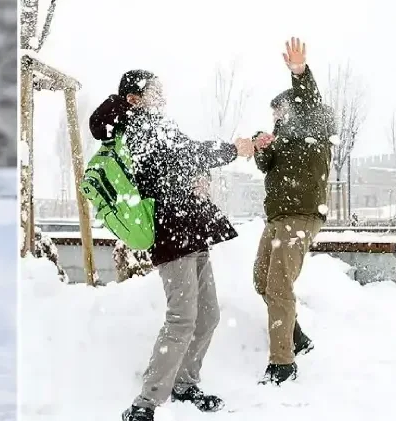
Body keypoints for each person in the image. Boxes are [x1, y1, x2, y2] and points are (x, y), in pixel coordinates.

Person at [89, 69, 255, 421]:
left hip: (191, 227)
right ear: (135, 97)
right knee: (182, 319)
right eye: (155, 91)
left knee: (208, 315)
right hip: (170, 231)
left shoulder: (156, 123)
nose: (162, 95)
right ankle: (144, 403)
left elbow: (181, 161)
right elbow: (183, 153)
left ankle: (184, 383)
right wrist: (232, 150)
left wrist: (200, 177)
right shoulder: (135, 126)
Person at [252, 37, 335, 386]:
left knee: (279, 285)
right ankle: (296, 335)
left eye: (279, 112)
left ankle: (282, 363)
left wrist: (299, 72)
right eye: (273, 115)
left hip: (301, 216)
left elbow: (309, 99)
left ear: (294, 108)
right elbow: (265, 165)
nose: (276, 117)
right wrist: (260, 144)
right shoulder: (281, 137)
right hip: (278, 218)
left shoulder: (313, 126)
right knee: (261, 279)